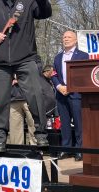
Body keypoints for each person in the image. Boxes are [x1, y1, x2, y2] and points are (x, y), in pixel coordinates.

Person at [0, 0, 52, 152]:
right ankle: (0, 139)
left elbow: (45, 13)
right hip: (0, 61)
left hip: (26, 58)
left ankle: (41, 134)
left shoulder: (29, 2)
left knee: (35, 95)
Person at [52, 31, 89, 161]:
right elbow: (54, 74)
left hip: (76, 94)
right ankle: (66, 149)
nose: (66, 39)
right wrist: (59, 86)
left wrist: (71, 86)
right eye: (64, 37)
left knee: (79, 123)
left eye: (69, 37)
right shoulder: (57, 57)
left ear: (75, 40)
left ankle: (80, 150)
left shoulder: (83, 55)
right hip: (61, 94)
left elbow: (85, 74)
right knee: (65, 123)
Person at [9, 76, 36, 145]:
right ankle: (18, 150)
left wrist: (20, 80)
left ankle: (35, 148)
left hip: (29, 97)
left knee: (33, 125)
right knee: (15, 128)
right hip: (12, 98)